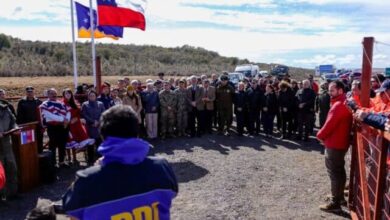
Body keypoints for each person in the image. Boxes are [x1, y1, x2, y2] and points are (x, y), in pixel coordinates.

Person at [62, 105, 178, 220]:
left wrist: (97, 170)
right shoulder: (161, 168)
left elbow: (73, 214)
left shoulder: (86, 180)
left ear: (102, 136)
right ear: (137, 132)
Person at [317, 80, 352, 212]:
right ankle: (340, 197)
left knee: (334, 173)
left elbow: (329, 125)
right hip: (341, 143)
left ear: (340, 90)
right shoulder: (345, 102)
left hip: (334, 143)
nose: (329, 93)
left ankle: (335, 202)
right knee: (339, 171)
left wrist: (319, 135)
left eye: (332, 90)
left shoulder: (338, 105)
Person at [62, 89, 95, 165]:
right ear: (64, 95)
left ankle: (74, 158)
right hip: (67, 125)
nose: (68, 95)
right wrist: (68, 121)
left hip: (76, 124)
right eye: (66, 93)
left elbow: (78, 113)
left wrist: (76, 118)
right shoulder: (62, 103)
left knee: (75, 141)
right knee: (68, 141)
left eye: (69, 93)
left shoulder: (74, 102)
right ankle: (69, 158)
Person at [40, 88, 70, 167]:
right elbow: (49, 115)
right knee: (53, 145)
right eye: (52, 93)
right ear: (48, 94)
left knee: (62, 144)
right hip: (52, 127)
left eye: (55, 93)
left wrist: (67, 120)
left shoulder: (61, 103)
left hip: (62, 126)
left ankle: (61, 162)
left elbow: (68, 112)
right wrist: (63, 119)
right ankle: (53, 163)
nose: (54, 95)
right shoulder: (45, 104)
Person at [0, 103, 19, 201]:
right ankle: (1, 196)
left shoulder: (5, 108)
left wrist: (15, 128)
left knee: (12, 167)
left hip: (7, 143)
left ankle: (13, 193)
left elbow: (13, 121)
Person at [16, 86, 44, 153]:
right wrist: (20, 126)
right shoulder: (22, 102)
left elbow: (42, 115)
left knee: (39, 143)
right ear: (26, 93)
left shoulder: (39, 102)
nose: (30, 93)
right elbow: (19, 115)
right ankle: (29, 161)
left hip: (37, 127)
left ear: (34, 92)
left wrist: (43, 125)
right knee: (28, 144)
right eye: (28, 92)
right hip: (27, 127)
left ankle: (39, 159)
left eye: (31, 91)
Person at [81, 90, 105, 165]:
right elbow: (84, 114)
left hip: (99, 126)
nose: (92, 97)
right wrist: (92, 122)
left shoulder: (100, 104)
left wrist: (98, 121)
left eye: (93, 95)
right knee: (90, 144)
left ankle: (101, 159)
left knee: (100, 143)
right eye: (90, 95)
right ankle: (90, 159)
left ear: (96, 96)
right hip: (90, 126)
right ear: (88, 96)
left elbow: (103, 113)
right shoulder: (85, 104)